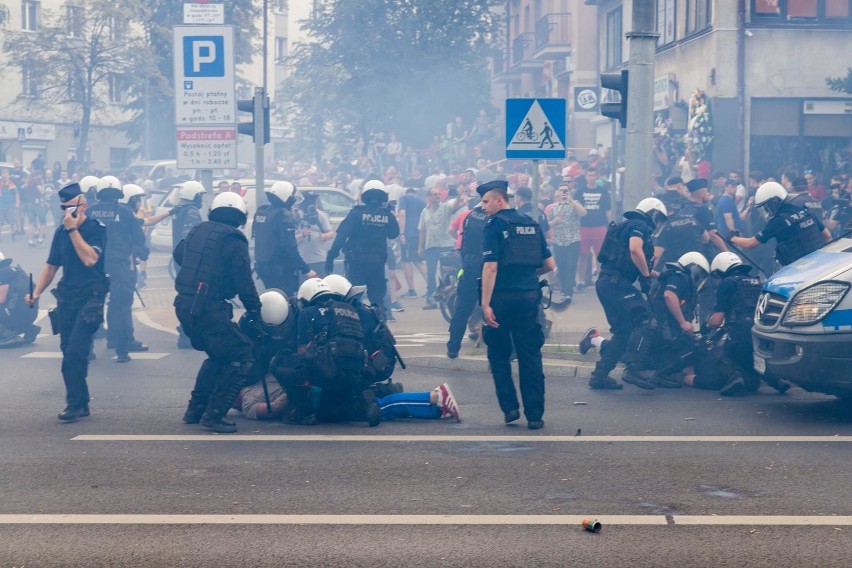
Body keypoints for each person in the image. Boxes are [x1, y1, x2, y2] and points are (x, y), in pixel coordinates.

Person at [174, 192, 262, 434]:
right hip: (208, 308)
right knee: (242, 354)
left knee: (218, 354)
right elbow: (244, 280)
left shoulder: (196, 230)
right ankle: (214, 415)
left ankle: (195, 410)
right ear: (240, 215)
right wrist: (256, 310)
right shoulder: (234, 239)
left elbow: (179, 255)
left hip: (184, 304)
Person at [25, 183, 108, 422]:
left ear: (83, 206)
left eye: (70, 208)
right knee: (67, 351)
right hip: (68, 297)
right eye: (63, 208)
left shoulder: (95, 228)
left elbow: (90, 259)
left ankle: (75, 404)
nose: (66, 214)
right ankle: (79, 402)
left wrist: (73, 230)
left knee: (75, 351)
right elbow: (52, 265)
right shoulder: (61, 231)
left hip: (91, 297)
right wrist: (37, 292)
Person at [478, 180, 555, 430]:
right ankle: (535, 415)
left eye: (486, 201)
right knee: (530, 356)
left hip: (501, 299)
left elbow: (490, 267)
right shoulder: (532, 224)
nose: (483, 206)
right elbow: (549, 265)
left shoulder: (494, 225)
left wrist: (485, 304)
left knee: (499, 354)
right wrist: (529, 277)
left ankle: (510, 408)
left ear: (500, 200)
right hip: (528, 300)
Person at [588, 198, 668, 390]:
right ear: (652, 213)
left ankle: (600, 375)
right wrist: (646, 275)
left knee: (623, 331)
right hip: (617, 284)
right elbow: (634, 249)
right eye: (658, 218)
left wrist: (657, 275)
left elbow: (633, 259)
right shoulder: (639, 225)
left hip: (608, 282)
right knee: (646, 321)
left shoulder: (626, 225)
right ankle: (634, 369)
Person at [293, 278, 381, 426]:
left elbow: (302, 351)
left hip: (327, 374)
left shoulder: (307, 313)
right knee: (336, 410)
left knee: (284, 365)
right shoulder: (350, 310)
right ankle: (362, 399)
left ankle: (304, 412)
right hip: (357, 372)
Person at [704, 252, 790, 396]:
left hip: (741, 327)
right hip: (761, 328)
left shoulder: (727, 283)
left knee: (725, 355)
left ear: (720, 268)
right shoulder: (756, 281)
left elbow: (717, 320)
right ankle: (776, 381)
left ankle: (735, 378)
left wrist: (706, 325)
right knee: (754, 356)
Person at [86, 176, 148, 363]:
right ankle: (122, 350)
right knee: (121, 306)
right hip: (120, 265)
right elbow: (139, 239)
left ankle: (88, 351)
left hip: (95, 265)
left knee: (91, 306)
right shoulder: (125, 211)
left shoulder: (89, 212)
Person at [630, 252, 709, 388]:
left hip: (656, 331)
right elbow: (669, 296)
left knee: (633, 355)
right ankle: (661, 375)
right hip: (661, 330)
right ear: (693, 267)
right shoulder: (680, 277)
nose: (699, 279)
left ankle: (595, 339)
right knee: (695, 348)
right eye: (700, 273)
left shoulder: (672, 276)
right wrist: (683, 323)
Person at [325, 180, 400, 321]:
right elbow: (394, 234)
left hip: (356, 263)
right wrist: (390, 214)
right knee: (377, 300)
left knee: (354, 298)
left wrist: (331, 257)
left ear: (364, 195)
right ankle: (380, 327)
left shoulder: (356, 213)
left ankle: (352, 325)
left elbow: (341, 237)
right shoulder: (387, 214)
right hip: (377, 264)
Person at [730, 181, 830, 267]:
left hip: (799, 269)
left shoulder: (778, 221)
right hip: (819, 262)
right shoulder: (804, 210)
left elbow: (750, 244)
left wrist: (732, 238)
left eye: (766, 207)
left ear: (774, 202)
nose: (766, 211)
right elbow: (827, 235)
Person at [446, 188, 490, 359]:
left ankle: (453, 347)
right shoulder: (494, 218)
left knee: (462, 310)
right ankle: (498, 346)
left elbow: (463, 242)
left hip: (470, 267)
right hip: (487, 268)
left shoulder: (470, 216)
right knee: (494, 306)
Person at [253, 181, 318, 295]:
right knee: (284, 303)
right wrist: (307, 270)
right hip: (280, 271)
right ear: (286, 197)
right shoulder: (283, 217)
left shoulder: (263, 211)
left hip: (263, 267)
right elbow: (290, 248)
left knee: (272, 298)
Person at [546, 179, 586, 303]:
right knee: (562, 266)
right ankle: (564, 289)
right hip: (558, 241)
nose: (564, 193)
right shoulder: (553, 207)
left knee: (571, 265)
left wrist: (572, 200)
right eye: (562, 190)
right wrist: (554, 222)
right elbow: (547, 225)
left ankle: (569, 292)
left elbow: (583, 213)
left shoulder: (575, 204)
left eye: (566, 190)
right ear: (557, 192)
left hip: (573, 240)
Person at [0, 252, 40, 347]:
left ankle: (8, 336)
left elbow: (1, 299)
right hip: (30, 314)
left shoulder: (2, 273)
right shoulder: (16, 271)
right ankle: (29, 329)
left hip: (16, 315)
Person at [396, 187, 427, 297]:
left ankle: (411, 290)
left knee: (407, 261)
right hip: (420, 234)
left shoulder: (404, 198)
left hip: (408, 234)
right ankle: (431, 287)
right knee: (419, 260)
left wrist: (402, 233)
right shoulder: (422, 201)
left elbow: (402, 214)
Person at [295, 193, 335, 276]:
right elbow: (291, 240)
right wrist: (303, 234)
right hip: (302, 260)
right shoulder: (296, 217)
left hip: (319, 259)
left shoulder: (321, 215)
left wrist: (325, 236)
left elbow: (330, 233)